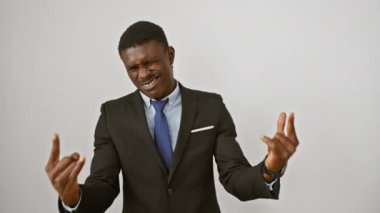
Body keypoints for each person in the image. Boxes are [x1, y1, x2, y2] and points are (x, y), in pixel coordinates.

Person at [45, 21, 299, 213]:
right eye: (133, 68)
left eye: (150, 63)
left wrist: (270, 167)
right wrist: (73, 197)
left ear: (170, 55)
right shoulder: (112, 115)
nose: (143, 74)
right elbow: (104, 185)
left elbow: (234, 177)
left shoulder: (211, 106)